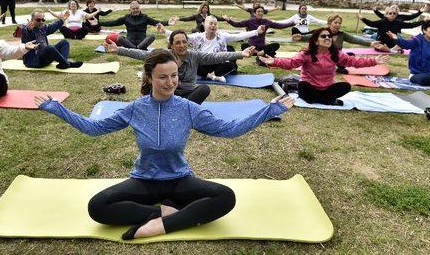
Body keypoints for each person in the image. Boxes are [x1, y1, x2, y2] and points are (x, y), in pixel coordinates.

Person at [34, 49, 294, 240]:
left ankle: (158, 224)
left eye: (173, 76)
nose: (170, 83)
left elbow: (229, 130)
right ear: (149, 77)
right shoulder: (135, 108)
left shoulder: (188, 109)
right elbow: (94, 128)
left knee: (226, 197)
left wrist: (267, 111)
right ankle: (165, 211)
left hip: (179, 179)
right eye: (162, 77)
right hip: (144, 180)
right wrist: (58, 109)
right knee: (97, 206)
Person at [105, 30, 255, 104]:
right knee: (154, 83)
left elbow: (217, 56)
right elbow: (142, 54)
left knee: (204, 89)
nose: (181, 45)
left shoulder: (195, 55)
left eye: (184, 42)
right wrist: (118, 50)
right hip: (168, 92)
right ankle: (175, 107)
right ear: (171, 45)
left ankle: (179, 109)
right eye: (177, 42)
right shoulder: (165, 54)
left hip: (188, 96)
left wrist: (240, 53)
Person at [261, 28, 389, 105]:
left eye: (329, 36)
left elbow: (353, 62)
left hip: (327, 89)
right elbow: (291, 63)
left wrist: (374, 61)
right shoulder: (306, 53)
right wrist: (275, 61)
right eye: (324, 36)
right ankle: (328, 101)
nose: (328, 38)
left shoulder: (336, 54)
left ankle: (320, 99)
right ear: (316, 40)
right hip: (309, 88)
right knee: (302, 86)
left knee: (345, 86)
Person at [159, 16, 265, 82]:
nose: (213, 25)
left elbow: (239, 36)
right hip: (202, 64)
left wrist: (256, 32)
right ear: (205, 25)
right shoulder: (198, 36)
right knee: (192, 63)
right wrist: (164, 31)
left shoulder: (222, 36)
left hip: (217, 63)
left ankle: (212, 75)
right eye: (211, 23)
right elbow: (181, 36)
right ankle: (211, 76)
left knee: (230, 65)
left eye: (215, 24)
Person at [293, 14, 385, 74]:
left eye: (339, 23)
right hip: (322, 59)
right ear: (329, 23)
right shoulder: (323, 32)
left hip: (336, 58)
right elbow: (311, 36)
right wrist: (301, 37)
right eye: (335, 22)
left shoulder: (342, 34)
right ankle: (334, 67)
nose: (337, 25)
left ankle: (336, 67)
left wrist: (371, 44)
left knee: (350, 55)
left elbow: (355, 40)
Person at [222, 6, 294, 60]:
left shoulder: (266, 22)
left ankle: (260, 53)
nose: (260, 13)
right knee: (244, 45)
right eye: (258, 11)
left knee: (276, 45)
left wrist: (292, 23)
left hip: (262, 46)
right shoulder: (250, 21)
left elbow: (280, 26)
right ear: (254, 13)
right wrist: (228, 20)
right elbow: (237, 24)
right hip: (252, 46)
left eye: (262, 11)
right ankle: (260, 53)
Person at [100, 1, 177, 50]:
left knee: (152, 36)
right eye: (133, 9)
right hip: (129, 42)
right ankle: (135, 48)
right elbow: (113, 22)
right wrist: (100, 23)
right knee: (120, 38)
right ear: (130, 9)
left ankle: (136, 48)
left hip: (142, 42)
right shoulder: (126, 18)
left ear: (139, 8)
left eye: (137, 8)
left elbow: (156, 22)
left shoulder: (145, 17)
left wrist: (168, 23)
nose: (136, 10)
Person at [357, 6, 423, 53]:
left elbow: (411, 25)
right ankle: (391, 50)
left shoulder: (398, 23)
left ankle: (390, 49)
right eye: (390, 13)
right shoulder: (381, 22)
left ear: (396, 15)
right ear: (386, 14)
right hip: (381, 41)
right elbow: (370, 23)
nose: (392, 14)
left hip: (392, 41)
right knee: (378, 45)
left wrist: (423, 21)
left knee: (401, 44)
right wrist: (363, 18)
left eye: (394, 13)